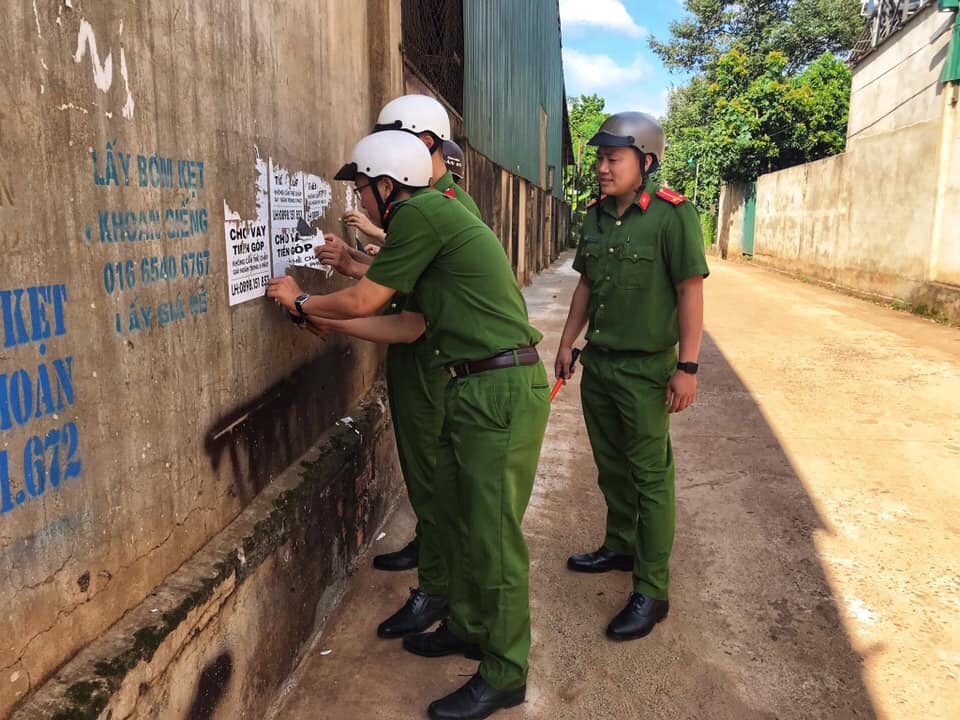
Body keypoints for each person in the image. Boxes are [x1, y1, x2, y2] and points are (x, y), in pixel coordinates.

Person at [269, 130, 549, 720]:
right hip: (473, 385)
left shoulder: (421, 215)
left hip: (497, 390)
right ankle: (471, 626)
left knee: (494, 537)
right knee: (460, 513)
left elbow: (364, 302)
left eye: (362, 188)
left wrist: (302, 303)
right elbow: (410, 326)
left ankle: (505, 673)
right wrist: (328, 318)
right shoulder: (430, 218)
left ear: (387, 186)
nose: (358, 200)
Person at [315, 95, 486, 646]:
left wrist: (306, 305)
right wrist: (355, 261)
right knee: (424, 472)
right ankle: (433, 567)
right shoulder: (426, 204)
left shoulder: (439, 204)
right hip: (419, 347)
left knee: (441, 482)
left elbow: (394, 293)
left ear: (424, 143)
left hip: (437, 357)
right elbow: (408, 277)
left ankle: (440, 589)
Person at [554, 111, 709, 641]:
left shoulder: (673, 217)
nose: (600, 167)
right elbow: (583, 285)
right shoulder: (594, 216)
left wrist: (687, 366)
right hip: (600, 365)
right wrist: (568, 340)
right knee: (611, 466)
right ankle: (619, 545)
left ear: (644, 162)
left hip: (647, 371)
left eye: (611, 158)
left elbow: (691, 290)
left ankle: (652, 588)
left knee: (650, 479)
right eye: (598, 157)